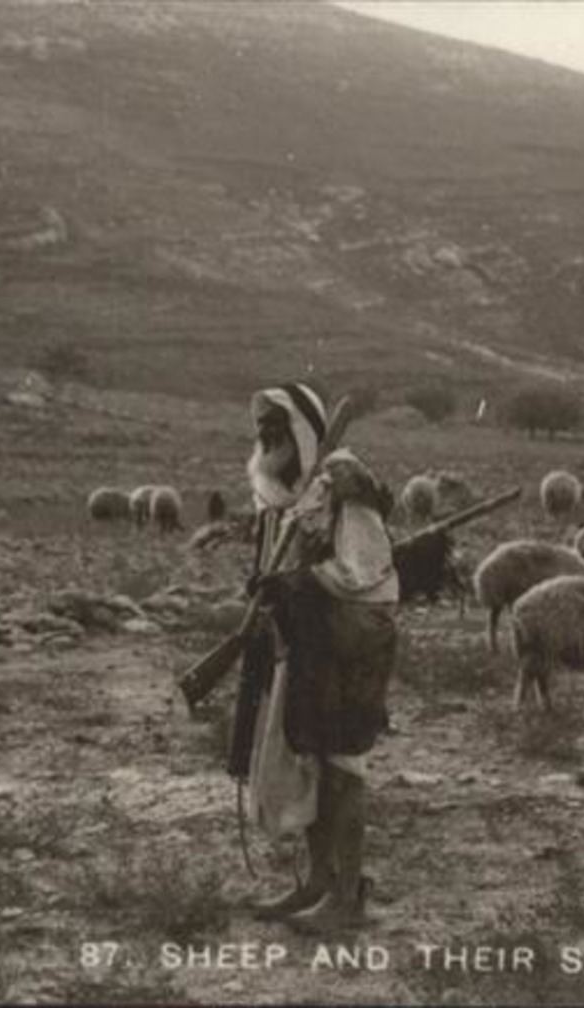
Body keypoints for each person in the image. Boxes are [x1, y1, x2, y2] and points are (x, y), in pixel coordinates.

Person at [238, 382, 398, 932]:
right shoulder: (286, 493)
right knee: (307, 758)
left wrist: (297, 580)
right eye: (261, 429)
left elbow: (365, 567)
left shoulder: (342, 482)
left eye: (277, 428)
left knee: (341, 766)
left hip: (352, 636)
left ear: (302, 431)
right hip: (308, 636)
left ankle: (349, 899)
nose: (266, 439)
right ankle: (319, 881)